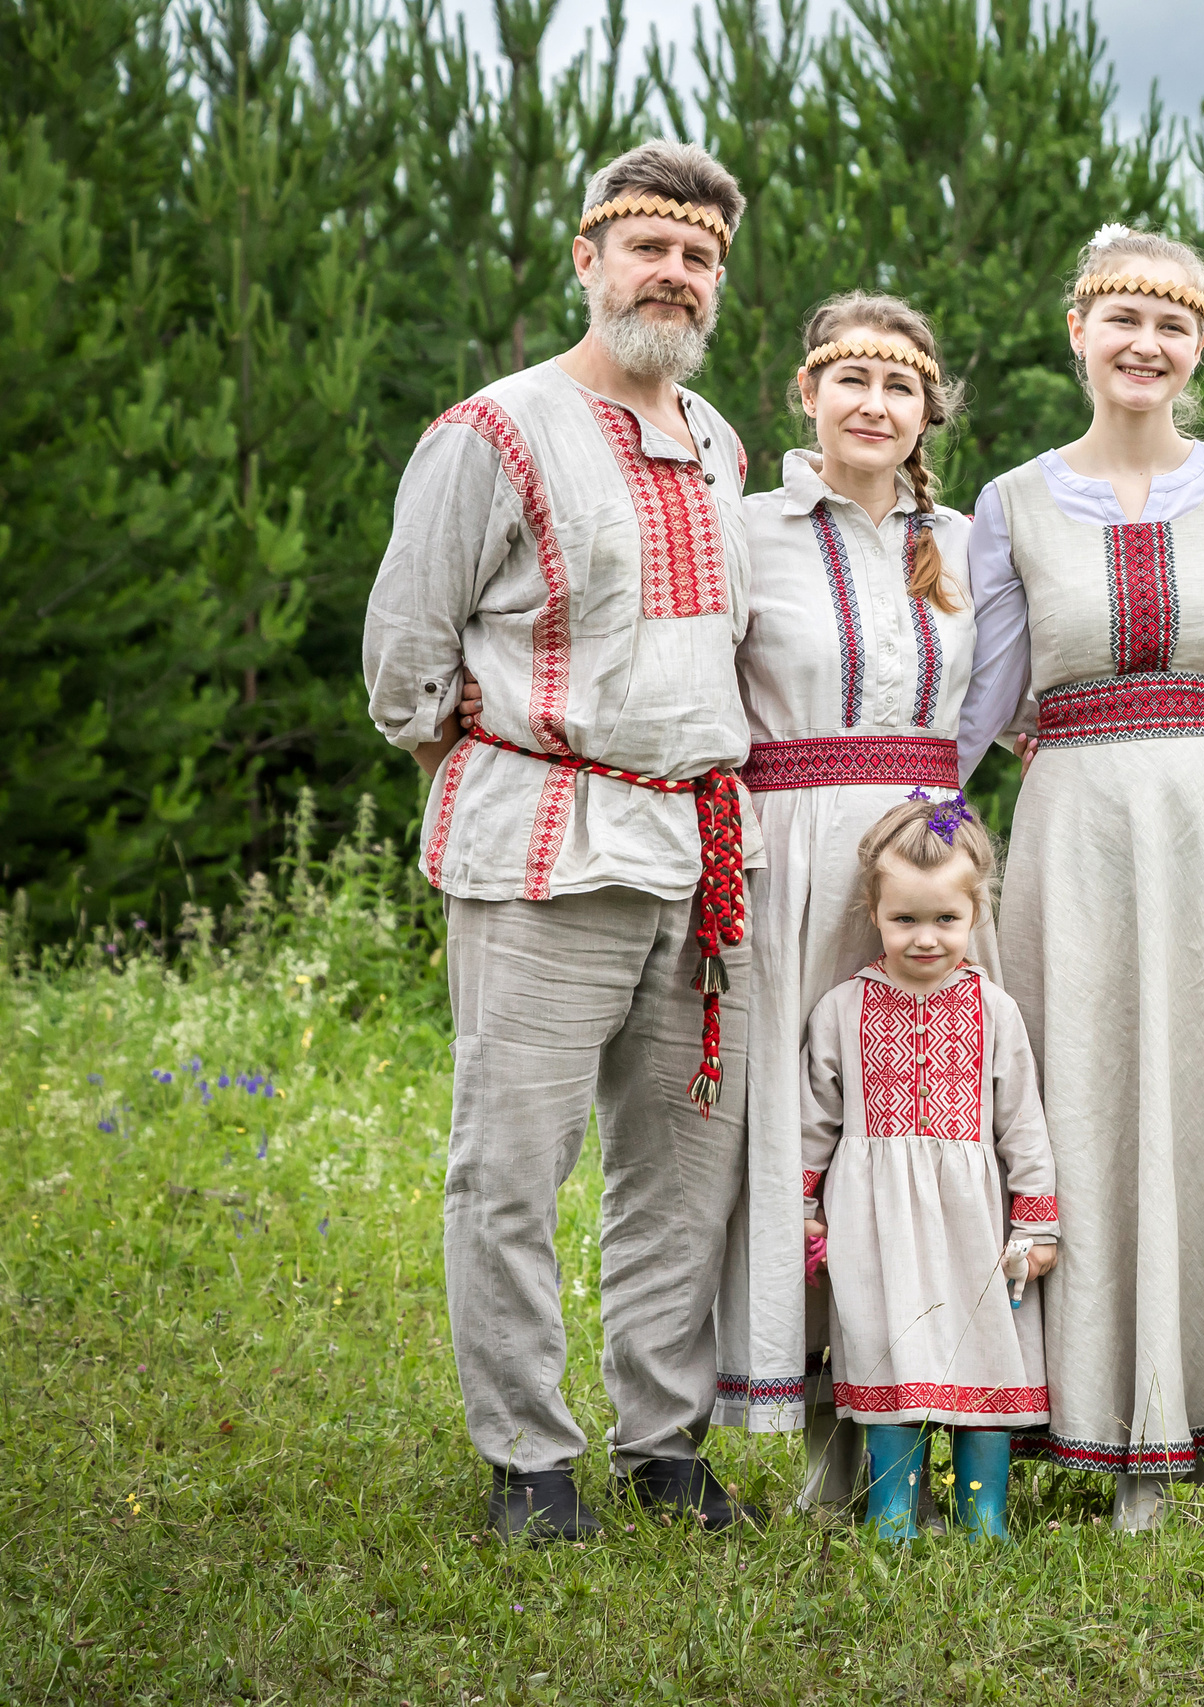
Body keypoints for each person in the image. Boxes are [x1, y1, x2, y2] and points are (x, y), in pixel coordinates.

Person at [361, 140, 764, 1541]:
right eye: (647, 246)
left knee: (681, 1174)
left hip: (699, 849)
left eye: (699, 255)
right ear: (586, 257)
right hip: (544, 843)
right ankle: (529, 1464)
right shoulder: (494, 431)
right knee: (511, 1167)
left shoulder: (719, 442)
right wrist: (518, 764)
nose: (674, 272)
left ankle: (665, 1449)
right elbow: (405, 660)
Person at [954, 225, 1204, 1533]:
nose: (1146, 343)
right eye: (1123, 317)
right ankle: (1119, 1434)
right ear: (1076, 330)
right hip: (1074, 832)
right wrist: (917, 820)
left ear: (1200, 349)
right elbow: (984, 694)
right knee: (1093, 1101)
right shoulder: (1008, 501)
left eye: (1175, 323)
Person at [711, 293, 992, 1518]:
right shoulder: (746, 531)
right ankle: (826, 1443)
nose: (875, 407)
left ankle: (926, 1415)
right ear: (808, 397)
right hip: (796, 859)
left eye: (900, 386)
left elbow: (1010, 701)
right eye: (851, 383)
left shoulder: (970, 544)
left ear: (930, 407)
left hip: (928, 864)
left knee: (921, 1137)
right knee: (808, 1140)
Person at [800, 797, 1058, 1542]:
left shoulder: (994, 1011)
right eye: (904, 918)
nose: (924, 938)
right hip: (873, 1224)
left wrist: (1037, 1220)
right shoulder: (842, 1011)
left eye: (945, 919)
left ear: (976, 913)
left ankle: (984, 1512)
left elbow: (1024, 1125)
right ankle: (893, 1514)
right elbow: (814, 1119)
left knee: (983, 1354)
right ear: (874, 912)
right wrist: (805, 1206)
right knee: (889, 1355)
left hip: (973, 1223)